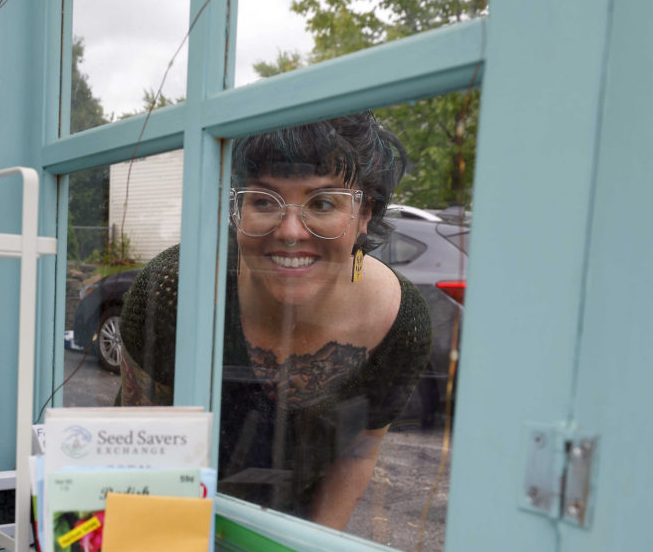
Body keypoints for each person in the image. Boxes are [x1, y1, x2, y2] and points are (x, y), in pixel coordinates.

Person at [119, 113, 431, 529]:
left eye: (322, 203)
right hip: (171, 527)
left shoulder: (400, 323)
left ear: (364, 214)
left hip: (286, 541)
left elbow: (360, 449)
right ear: (237, 207)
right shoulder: (174, 289)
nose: (290, 231)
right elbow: (135, 447)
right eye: (264, 201)